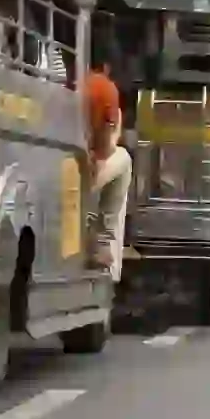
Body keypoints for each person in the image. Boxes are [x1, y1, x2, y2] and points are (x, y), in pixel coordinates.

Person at [85, 28, 133, 281]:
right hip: (81, 168)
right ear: (107, 64)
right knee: (123, 159)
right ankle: (101, 242)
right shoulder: (105, 88)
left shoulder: (70, 80)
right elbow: (104, 146)